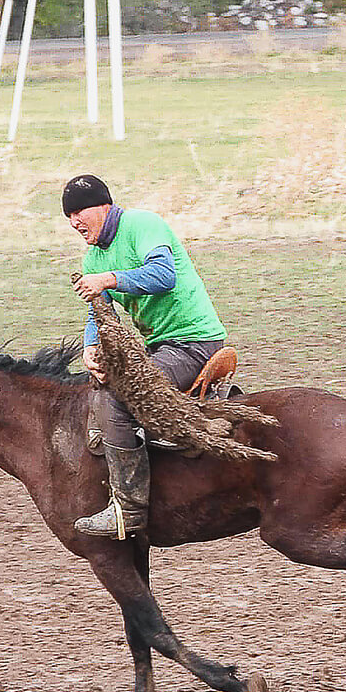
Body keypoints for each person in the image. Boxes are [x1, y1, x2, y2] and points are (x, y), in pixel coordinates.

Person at [64, 174, 227, 538]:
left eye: (79, 211)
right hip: (162, 348)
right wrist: (92, 347)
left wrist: (108, 279)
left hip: (193, 343)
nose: (74, 221)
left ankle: (129, 509)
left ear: (104, 206)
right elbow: (99, 315)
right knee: (97, 390)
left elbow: (163, 275)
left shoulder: (142, 224)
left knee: (118, 397)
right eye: (68, 216)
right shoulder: (94, 258)